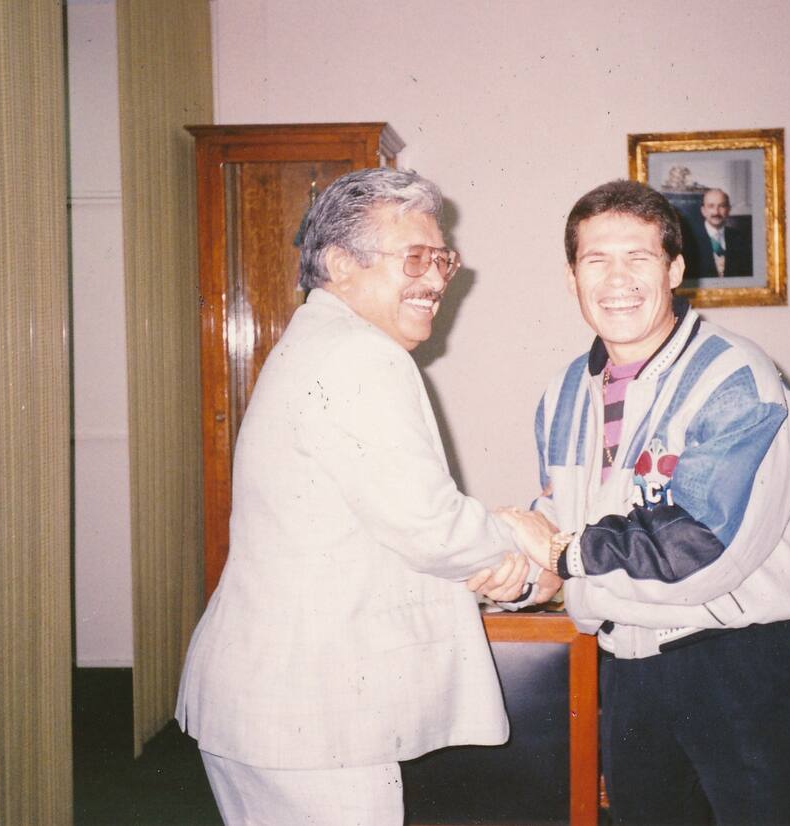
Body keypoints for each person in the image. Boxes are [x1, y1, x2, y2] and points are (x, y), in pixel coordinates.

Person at [177, 167, 553, 824]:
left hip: (279, 704)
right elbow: (431, 528)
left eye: (442, 258)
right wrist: (526, 545)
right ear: (340, 263)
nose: (436, 278)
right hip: (312, 718)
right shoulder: (360, 356)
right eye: (414, 257)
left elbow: (393, 516)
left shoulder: (322, 341)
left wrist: (493, 540)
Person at [502, 180, 790, 825]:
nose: (616, 279)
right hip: (626, 667)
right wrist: (518, 566)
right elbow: (558, 518)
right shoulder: (564, 390)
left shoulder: (737, 379)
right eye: (596, 260)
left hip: (735, 668)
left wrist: (564, 556)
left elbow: (704, 545)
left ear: (676, 269)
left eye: (640, 257)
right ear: (572, 277)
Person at [683, 187, 754, 277]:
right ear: (703, 211)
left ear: (728, 210)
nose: (716, 212)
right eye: (711, 206)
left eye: (722, 206)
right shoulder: (689, 240)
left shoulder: (741, 238)